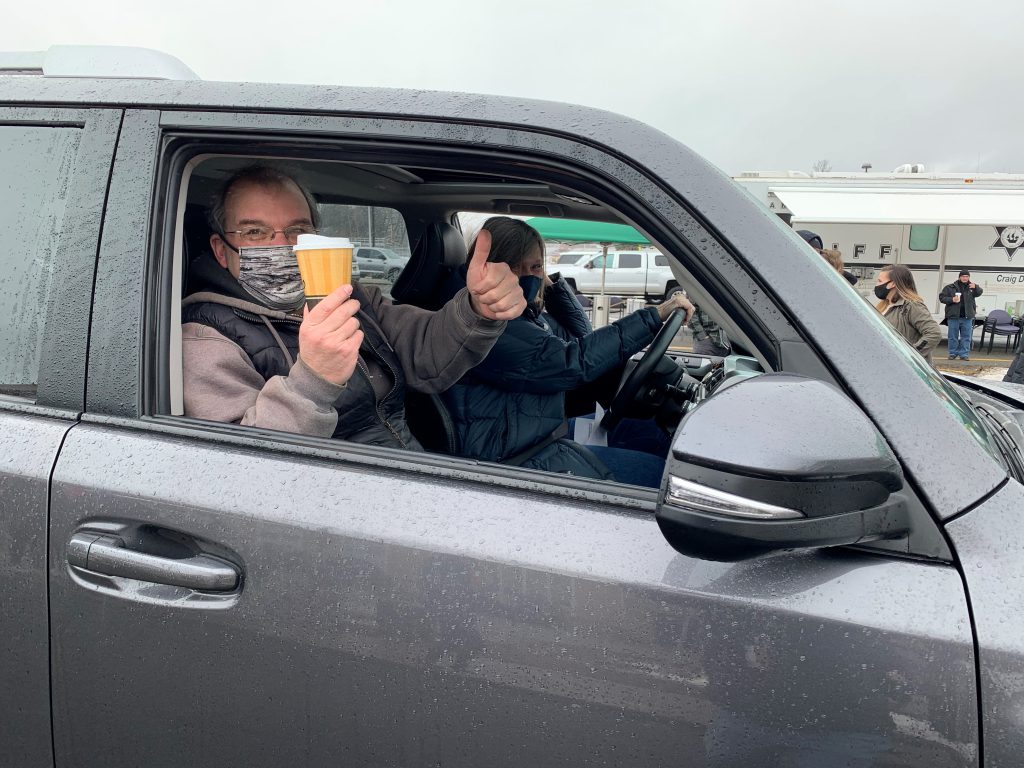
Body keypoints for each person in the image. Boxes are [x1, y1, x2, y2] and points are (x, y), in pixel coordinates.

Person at [181, 165, 525, 448]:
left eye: (298, 229)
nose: (283, 245)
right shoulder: (204, 337)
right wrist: (313, 380)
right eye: (255, 232)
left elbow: (425, 348)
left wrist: (477, 309)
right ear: (221, 249)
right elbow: (236, 467)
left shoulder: (346, 295)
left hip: (409, 468)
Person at [438, 216, 694, 487]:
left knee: (643, 429)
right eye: (532, 266)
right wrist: (654, 315)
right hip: (512, 457)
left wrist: (547, 283)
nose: (537, 274)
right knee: (658, 475)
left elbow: (582, 337)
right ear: (500, 267)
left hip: (527, 432)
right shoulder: (488, 322)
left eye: (539, 266)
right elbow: (573, 362)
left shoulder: (514, 313)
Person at [874, 264, 943, 365]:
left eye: (880, 281)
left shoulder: (912, 306)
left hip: (902, 368)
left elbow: (934, 333)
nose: (877, 284)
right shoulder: (884, 305)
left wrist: (909, 355)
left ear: (892, 284)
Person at [939, 269, 984, 361]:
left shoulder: (972, 287)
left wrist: (976, 287)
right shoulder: (950, 287)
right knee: (952, 337)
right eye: (963, 276)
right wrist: (952, 299)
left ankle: (964, 354)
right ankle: (952, 353)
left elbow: (979, 292)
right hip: (953, 316)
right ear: (959, 277)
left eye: (967, 276)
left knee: (966, 337)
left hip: (967, 317)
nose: (965, 278)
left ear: (969, 277)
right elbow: (942, 298)